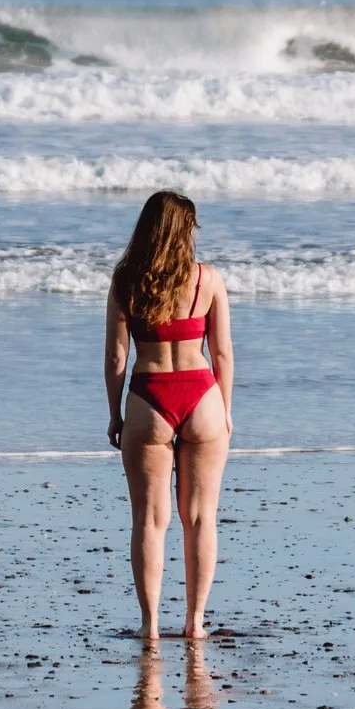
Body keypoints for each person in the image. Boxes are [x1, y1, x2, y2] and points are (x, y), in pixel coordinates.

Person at [105, 190, 233, 641]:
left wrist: (114, 414)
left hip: (148, 397)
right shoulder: (208, 279)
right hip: (202, 397)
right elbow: (221, 352)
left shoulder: (126, 280)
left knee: (149, 519)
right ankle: (196, 623)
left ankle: (150, 624)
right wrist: (226, 412)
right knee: (200, 517)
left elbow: (117, 356)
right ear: (186, 232)